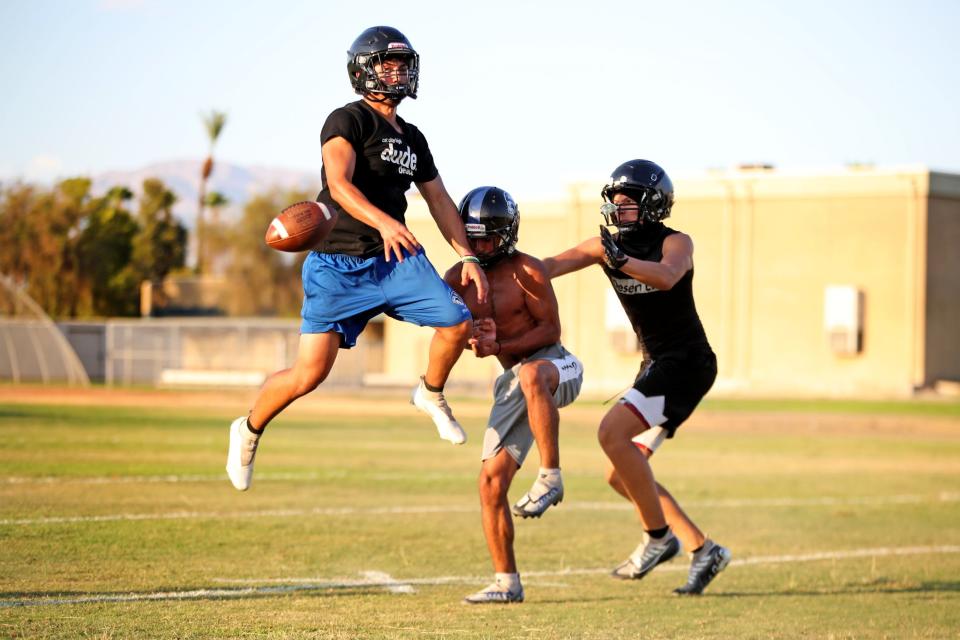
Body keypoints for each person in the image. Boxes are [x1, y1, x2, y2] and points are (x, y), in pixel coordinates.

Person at [226, 26, 488, 492]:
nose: (400, 71)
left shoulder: (414, 138)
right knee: (308, 375)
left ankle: (429, 394)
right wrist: (385, 221)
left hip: (395, 260)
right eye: (390, 63)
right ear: (364, 69)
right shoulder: (347, 119)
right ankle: (248, 430)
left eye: (405, 63)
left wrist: (467, 255)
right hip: (337, 263)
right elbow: (339, 183)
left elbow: (440, 200)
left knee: (456, 319)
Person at [544, 159, 731, 596]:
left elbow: (667, 277)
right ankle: (703, 549)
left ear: (653, 205)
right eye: (615, 201)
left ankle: (657, 537)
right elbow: (546, 266)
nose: (618, 208)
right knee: (621, 473)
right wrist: (488, 259)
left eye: (628, 201)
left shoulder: (676, 242)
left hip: (685, 363)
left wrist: (620, 259)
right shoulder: (604, 245)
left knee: (611, 433)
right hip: (656, 364)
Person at [445, 186, 584, 604]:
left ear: (507, 234)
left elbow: (550, 331)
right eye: (473, 238)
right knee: (490, 483)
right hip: (516, 382)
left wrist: (499, 344)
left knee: (530, 375)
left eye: (487, 237)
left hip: (558, 366)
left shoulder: (528, 270)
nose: (480, 246)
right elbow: (437, 321)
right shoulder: (458, 277)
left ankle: (551, 476)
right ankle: (507, 582)